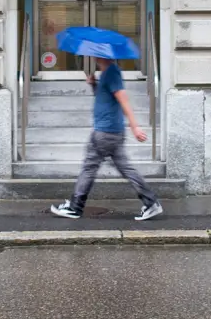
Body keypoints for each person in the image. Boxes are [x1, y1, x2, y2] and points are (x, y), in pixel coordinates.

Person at [51, 56, 164, 221]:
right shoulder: (106, 74)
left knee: (89, 167)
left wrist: (135, 126)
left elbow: (123, 99)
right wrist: (94, 85)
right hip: (112, 132)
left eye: (97, 55)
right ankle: (151, 203)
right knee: (126, 169)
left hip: (105, 132)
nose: (95, 57)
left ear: (103, 56)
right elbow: (105, 99)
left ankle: (75, 207)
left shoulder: (112, 73)